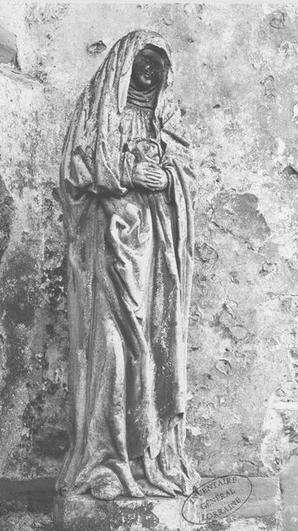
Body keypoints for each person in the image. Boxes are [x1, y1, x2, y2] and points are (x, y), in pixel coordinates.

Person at [56, 30, 197, 499]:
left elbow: (187, 174)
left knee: (155, 345)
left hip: (156, 256)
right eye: (143, 61)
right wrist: (125, 172)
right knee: (110, 347)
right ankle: (104, 457)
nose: (150, 72)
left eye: (158, 63)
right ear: (124, 64)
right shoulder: (98, 114)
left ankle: (151, 456)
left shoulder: (166, 119)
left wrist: (168, 179)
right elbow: (75, 171)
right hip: (107, 250)